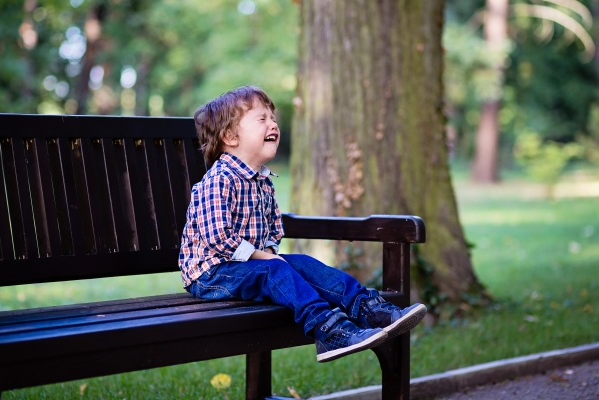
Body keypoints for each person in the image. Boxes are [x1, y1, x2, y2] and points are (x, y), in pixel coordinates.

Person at [178, 85, 426, 362]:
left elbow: (273, 227)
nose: (273, 124)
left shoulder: (262, 181)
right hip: (211, 273)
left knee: (304, 264)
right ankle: (330, 331)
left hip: (252, 266)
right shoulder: (219, 180)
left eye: (273, 118)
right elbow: (218, 239)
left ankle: (369, 309)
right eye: (262, 119)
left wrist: (270, 251)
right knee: (274, 271)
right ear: (230, 136)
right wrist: (266, 258)